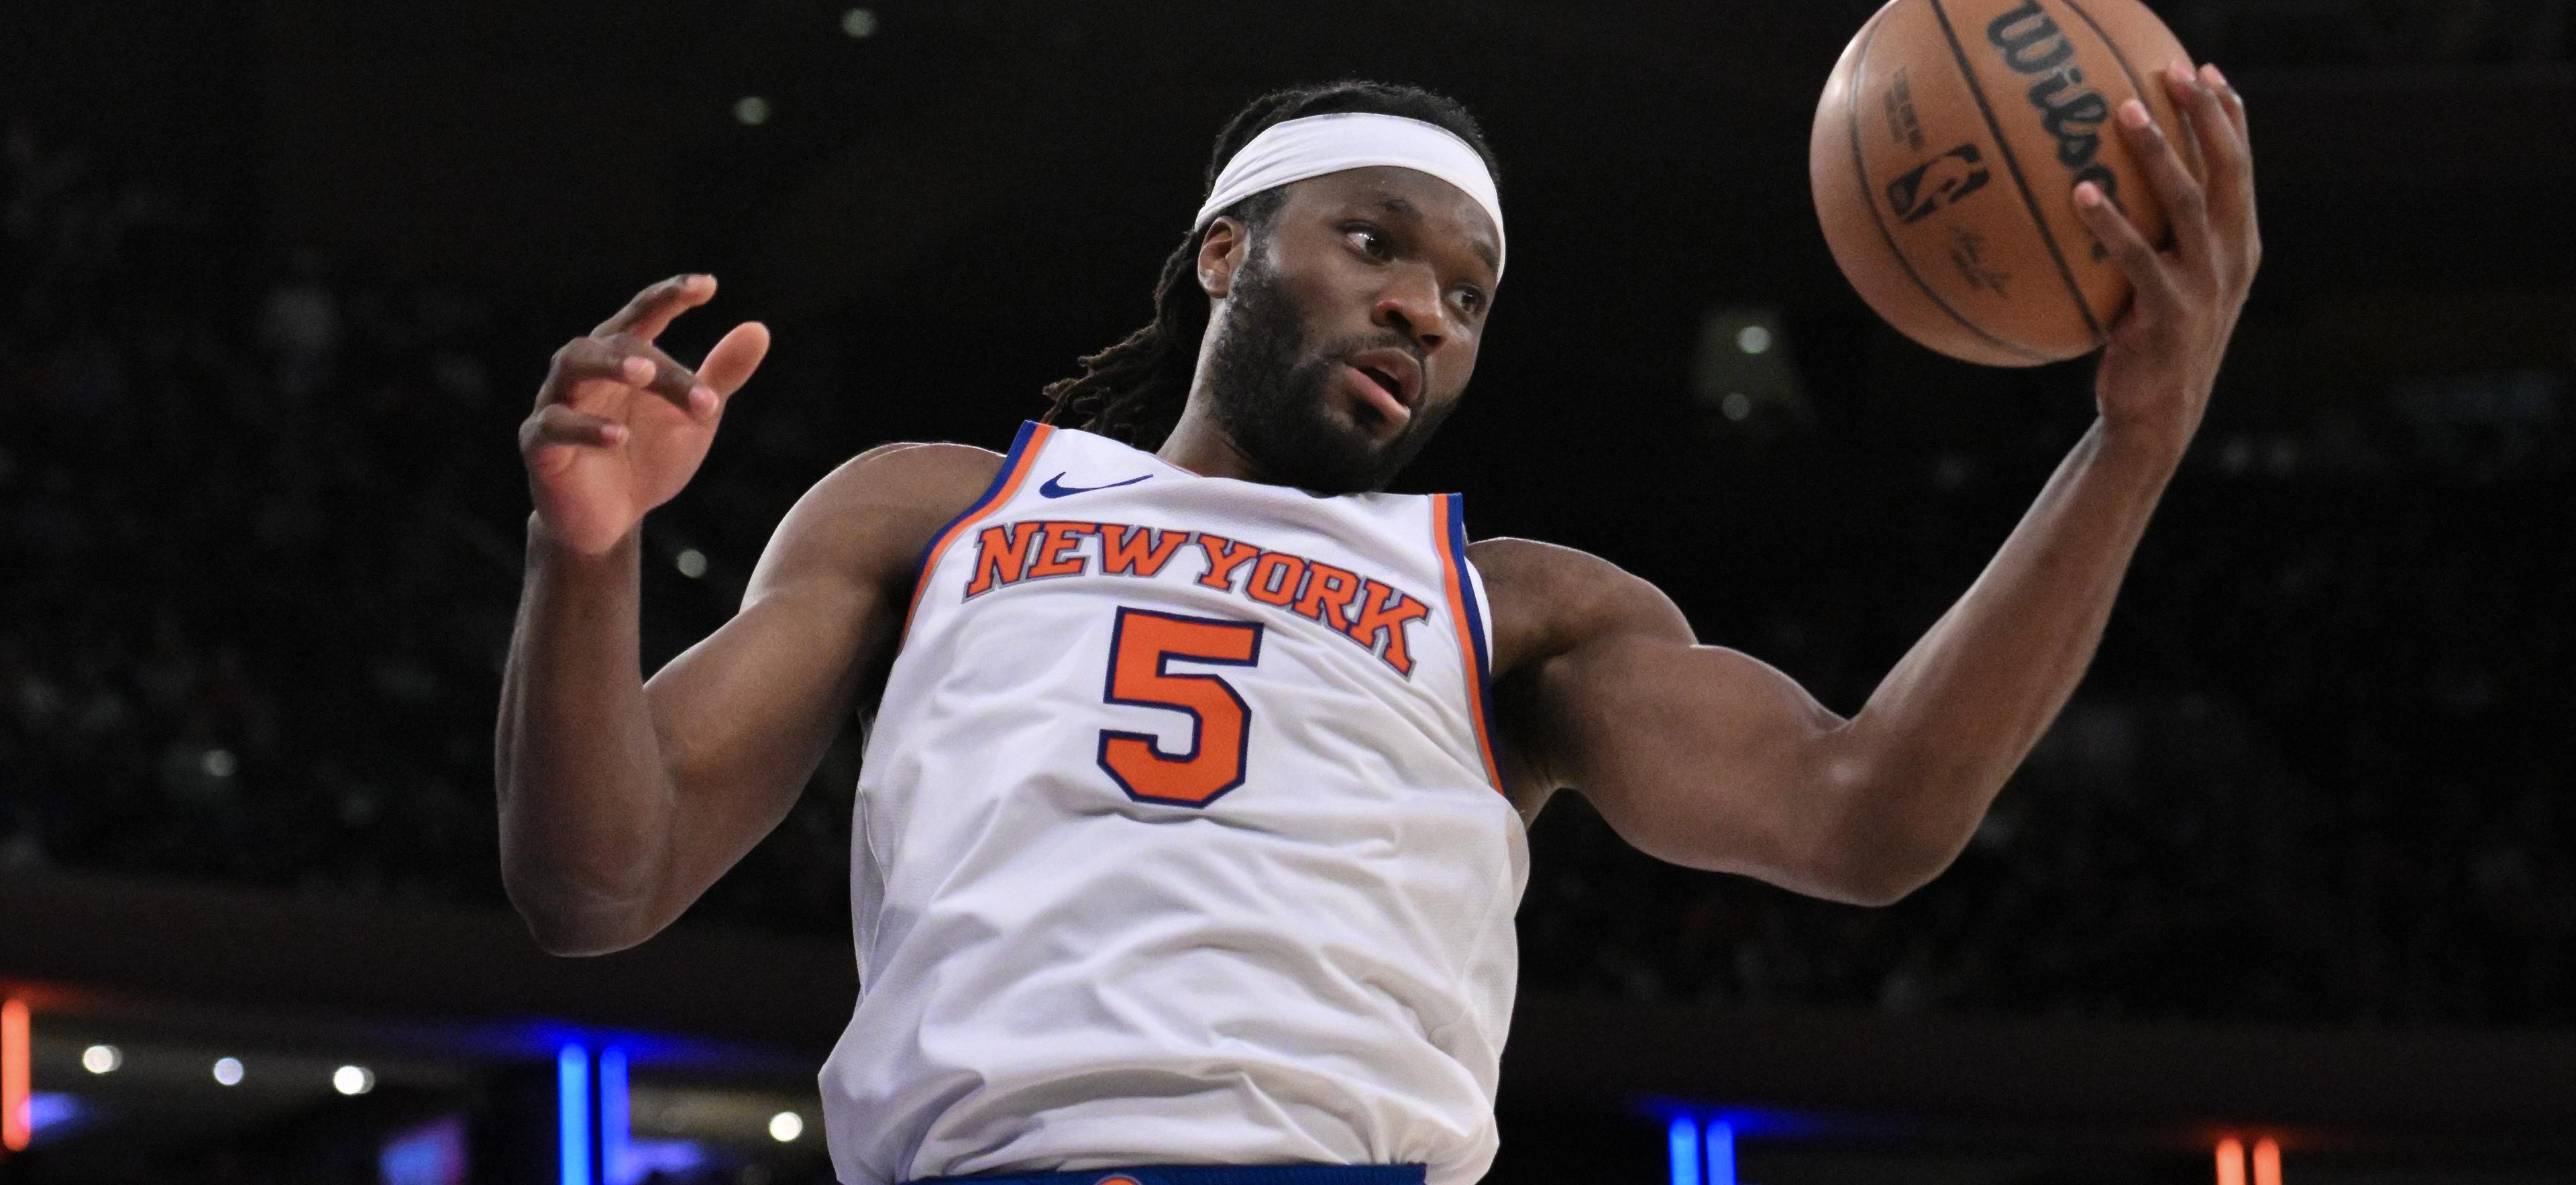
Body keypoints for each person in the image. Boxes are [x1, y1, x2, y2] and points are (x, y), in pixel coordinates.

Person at [496, 73, 2260, 1185]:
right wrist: (587, 560)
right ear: (1223, 256)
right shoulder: (935, 509)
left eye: (1469, 294)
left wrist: (2131, 445)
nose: (1425, 304)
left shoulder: (1519, 610)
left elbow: (1870, 815)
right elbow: (597, 887)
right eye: (1375, 244)